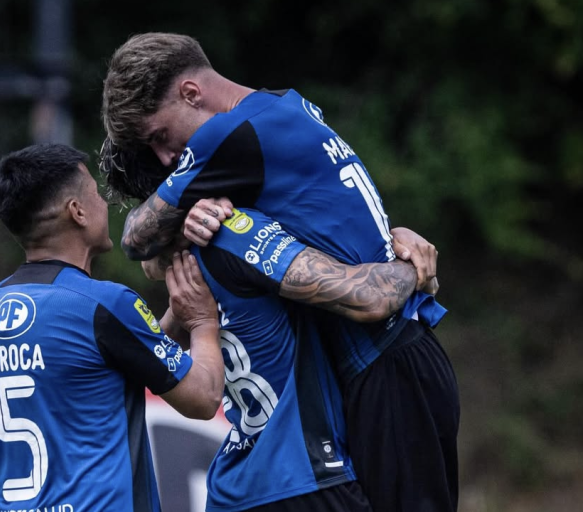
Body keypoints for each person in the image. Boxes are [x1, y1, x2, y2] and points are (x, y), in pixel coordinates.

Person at [100, 32, 459, 512]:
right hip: (388, 359)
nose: (169, 158)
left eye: (161, 138)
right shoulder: (287, 107)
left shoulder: (228, 137)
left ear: (191, 93)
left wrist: (411, 269)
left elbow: (136, 239)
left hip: (388, 365)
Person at [0, 143, 224, 512]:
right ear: (77, 212)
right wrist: (203, 322)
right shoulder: (104, 303)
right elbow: (204, 399)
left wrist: (176, 314)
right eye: (95, 193)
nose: (104, 203)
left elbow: (106, 362)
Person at [138, 205, 425, 512]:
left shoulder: (199, 260)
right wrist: (412, 263)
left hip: (232, 490)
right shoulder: (244, 236)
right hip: (303, 473)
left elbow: (150, 264)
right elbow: (371, 299)